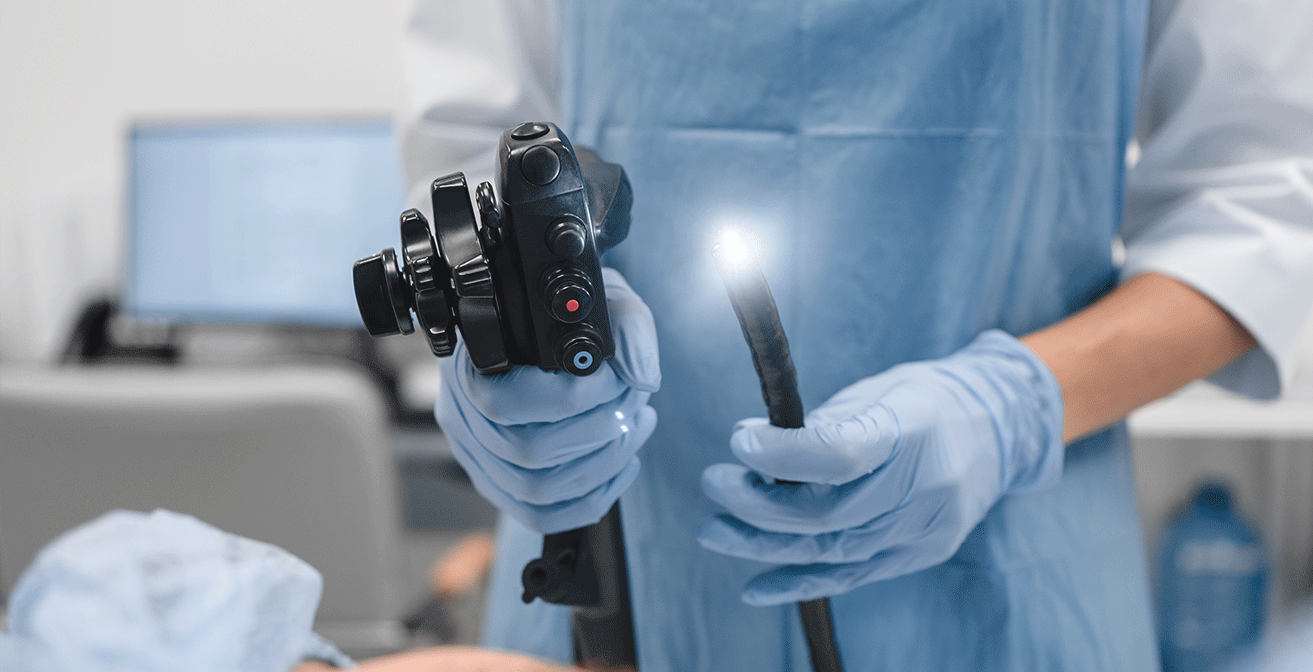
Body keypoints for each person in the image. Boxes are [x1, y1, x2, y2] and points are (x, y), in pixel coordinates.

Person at [404, 1, 1313, 670]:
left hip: (1008, 577)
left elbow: (1266, 212)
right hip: (617, 565)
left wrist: (1013, 407)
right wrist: (501, 350)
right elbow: (465, 164)